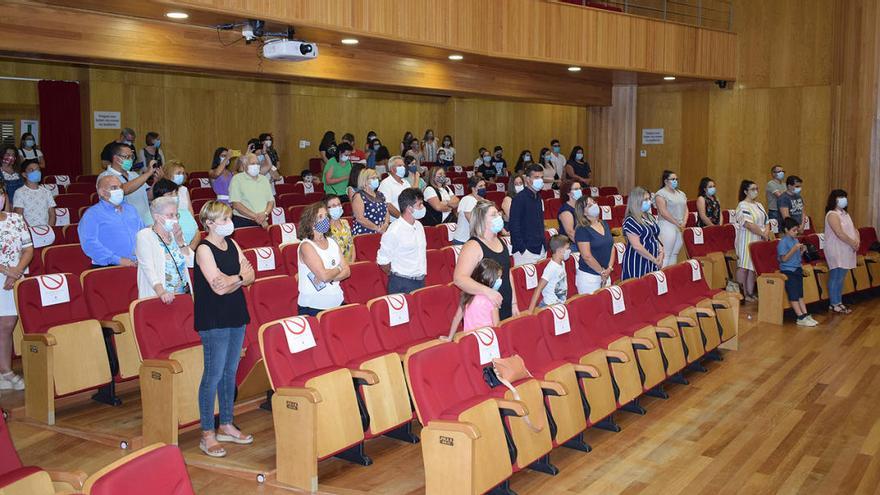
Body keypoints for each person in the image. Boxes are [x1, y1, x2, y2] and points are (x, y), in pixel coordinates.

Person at [193, 200, 255, 457]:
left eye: (229, 217)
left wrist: (236, 279)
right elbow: (216, 287)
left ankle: (226, 424)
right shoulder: (203, 249)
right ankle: (207, 432)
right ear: (209, 223)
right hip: (214, 317)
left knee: (230, 372)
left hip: (235, 312)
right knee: (213, 374)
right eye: (224, 219)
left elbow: (250, 273)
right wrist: (237, 279)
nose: (229, 223)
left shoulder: (232, 243)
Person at [454, 200, 515, 320]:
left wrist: (514, 304)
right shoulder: (473, 246)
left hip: (504, 305)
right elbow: (459, 279)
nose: (499, 217)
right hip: (483, 311)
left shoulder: (501, 241)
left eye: (498, 213)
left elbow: (508, 273)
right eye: (493, 215)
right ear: (482, 219)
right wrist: (487, 292)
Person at [0, 181, 32, 391]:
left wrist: (16, 271)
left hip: (15, 278)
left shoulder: (15, 219)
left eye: (0, 193)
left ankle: (5, 371)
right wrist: (5, 270)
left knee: (8, 325)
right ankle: (5, 372)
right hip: (4, 274)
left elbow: (28, 249)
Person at [296, 202, 350, 316]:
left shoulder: (332, 241)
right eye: (320, 217)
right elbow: (324, 276)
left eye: (326, 216)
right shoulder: (306, 246)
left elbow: (347, 271)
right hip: (314, 307)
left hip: (337, 301)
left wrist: (330, 277)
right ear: (310, 222)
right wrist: (339, 268)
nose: (325, 219)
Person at [136, 196, 193, 301]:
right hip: (158, 295)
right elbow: (148, 268)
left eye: (176, 215)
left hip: (182, 293)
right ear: (157, 217)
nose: (175, 219)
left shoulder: (176, 233)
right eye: (170, 215)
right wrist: (161, 292)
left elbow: (191, 262)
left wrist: (180, 242)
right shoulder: (144, 235)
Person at [79, 175, 144, 268]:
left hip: (138, 264)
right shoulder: (92, 214)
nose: (119, 190)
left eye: (121, 187)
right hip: (109, 267)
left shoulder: (131, 209)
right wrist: (118, 260)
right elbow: (89, 244)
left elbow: (142, 232)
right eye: (114, 188)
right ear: (102, 192)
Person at [378, 188, 427, 294]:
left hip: (420, 280)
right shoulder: (394, 230)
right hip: (402, 283)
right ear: (409, 208)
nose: (423, 207)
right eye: (420, 205)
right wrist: (397, 275)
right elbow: (383, 261)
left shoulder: (419, 226)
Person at [98, 142, 159, 226]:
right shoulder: (105, 177)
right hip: (123, 224)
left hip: (144, 222)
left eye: (132, 157)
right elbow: (123, 190)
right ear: (116, 158)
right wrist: (147, 174)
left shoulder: (134, 175)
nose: (130, 160)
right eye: (127, 157)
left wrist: (156, 181)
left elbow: (149, 196)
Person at [444, 258, 503, 340]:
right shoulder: (492, 300)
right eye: (498, 278)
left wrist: (449, 338)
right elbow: (496, 326)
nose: (500, 281)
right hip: (487, 340)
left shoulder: (467, 295)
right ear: (489, 278)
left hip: (470, 341)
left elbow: (457, 317)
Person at [734, 180, 770, 302]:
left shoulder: (759, 205)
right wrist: (762, 233)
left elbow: (767, 221)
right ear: (745, 191)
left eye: (757, 189)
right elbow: (748, 224)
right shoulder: (742, 205)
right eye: (753, 189)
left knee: (752, 267)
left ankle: (750, 293)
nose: (756, 191)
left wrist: (766, 232)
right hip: (746, 239)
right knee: (744, 266)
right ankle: (741, 294)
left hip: (759, 238)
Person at [824, 189, 859, 314]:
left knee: (842, 277)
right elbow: (839, 233)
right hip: (836, 248)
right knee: (836, 276)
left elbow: (854, 229)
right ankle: (834, 303)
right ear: (834, 199)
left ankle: (839, 302)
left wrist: (857, 241)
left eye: (845, 196)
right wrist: (852, 243)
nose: (844, 199)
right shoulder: (832, 214)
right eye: (841, 197)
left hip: (847, 248)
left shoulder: (845, 213)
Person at [777, 218, 817, 326]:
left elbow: (796, 257)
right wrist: (794, 249)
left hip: (797, 269)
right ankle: (800, 316)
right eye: (793, 230)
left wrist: (802, 251)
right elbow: (784, 259)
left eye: (796, 230)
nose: (796, 233)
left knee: (800, 294)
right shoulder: (783, 242)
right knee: (793, 295)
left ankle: (805, 314)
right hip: (788, 271)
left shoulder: (795, 240)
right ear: (786, 230)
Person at [574, 195, 615, 293]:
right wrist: (601, 272)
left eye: (594, 202)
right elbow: (587, 256)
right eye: (589, 205)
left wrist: (609, 268)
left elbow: (612, 246)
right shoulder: (582, 229)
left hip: (606, 273)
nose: (594, 205)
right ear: (583, 212)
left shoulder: (604, 224)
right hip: (589, 277)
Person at [622, 187, 663, 280]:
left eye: (649, 199)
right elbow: (637, 246)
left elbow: (655, 236)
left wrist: (661, 252)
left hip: (653, 259)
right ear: (637, 201)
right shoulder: (630, 220)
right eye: (645, 199)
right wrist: (654, 259)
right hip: (638, 260)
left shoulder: (650, 217)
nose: (649, 202)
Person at [509, 164, 547, 266]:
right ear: (528, 179)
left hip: (540, 248)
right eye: (536, 177)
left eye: (542, 177)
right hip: (526, 251)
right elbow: (514, 226)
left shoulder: (538, 197)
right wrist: (522, 249)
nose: (540, 180)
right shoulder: (519, 199)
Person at [151, 178, 200, 251]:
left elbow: (197, 233)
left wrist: (189, 249)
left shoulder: (185, 212)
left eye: (176, 193)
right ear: (159, 197)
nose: (175, 196)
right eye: (170, 194)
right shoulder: (152, 216)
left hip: (190, 252)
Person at [229, 153, 274, 229]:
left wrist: (265, 214)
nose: (256, 166)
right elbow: (236, 204)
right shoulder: (237, 179)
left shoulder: (264, 179)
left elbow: (271, 201)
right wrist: (257, 217)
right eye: (252, 163)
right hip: (243, 221)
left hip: (264, 221)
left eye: (257, 164)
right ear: (244, 165)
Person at [527, 234, 571, 312]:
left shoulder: (562, 263)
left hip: (559, 304)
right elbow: (538, 289)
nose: (569, 251)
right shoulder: (551, 268)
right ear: (559, 250)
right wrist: (530, 311)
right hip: (549, 306)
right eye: (567, 248)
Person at [655, 170, 687, 267]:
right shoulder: (660, 194)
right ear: (665, 181)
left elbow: (686, 209)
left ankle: (670, 278)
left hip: (680, 226)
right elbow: (663, 212)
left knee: (674, 254)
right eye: (672, 179)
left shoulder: (681, 193)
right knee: (666, 254)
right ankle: (663, 278)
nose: (675, 181)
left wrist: (684, 222)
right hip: (667, 224)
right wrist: (677, 223)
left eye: (676, 179)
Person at [12, 161, 55, 227]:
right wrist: (31, 231)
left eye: (38, 169)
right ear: (24, 174)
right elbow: (19, 215)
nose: (36, 172)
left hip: (46, 230)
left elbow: (52, 214)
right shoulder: (19, 192)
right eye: (31, 170)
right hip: (29, 231)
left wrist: (49, 229)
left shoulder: (47, 192)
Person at [351, 168, 389, 235]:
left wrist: (385, 225)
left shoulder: (380, 194)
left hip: (382, 231)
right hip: (364, 233)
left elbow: (386, 212)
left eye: (377, 178)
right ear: (365, 180)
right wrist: (377, 228)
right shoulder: (359, 196)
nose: (377, 180)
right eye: (373, 178)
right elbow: (360, 218)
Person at [453, 176, 486, 245]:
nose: (483, 188)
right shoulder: (468, 200)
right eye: (480, 186)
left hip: (474, 239)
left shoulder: (483, 200)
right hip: (463, 240)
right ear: (473, 189)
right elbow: (473, 222)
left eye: (484, 185)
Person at [325, 195, 354, 263]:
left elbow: (352, 244)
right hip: (336, 266)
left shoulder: (345, 222)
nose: (337, 207)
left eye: (339, 204)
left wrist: (352, 263)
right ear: (326, 209)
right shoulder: (325, 228)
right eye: (334, 206)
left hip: (351, 263)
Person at [557, 181, 583, 250]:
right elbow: (570, 233)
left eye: (580, 188)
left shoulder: (581, 207)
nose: (579, 191)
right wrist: (584, 245)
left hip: (582, 240)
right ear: (568, 193)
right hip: (570, 244)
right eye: (576, 189)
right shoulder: (566, 210)